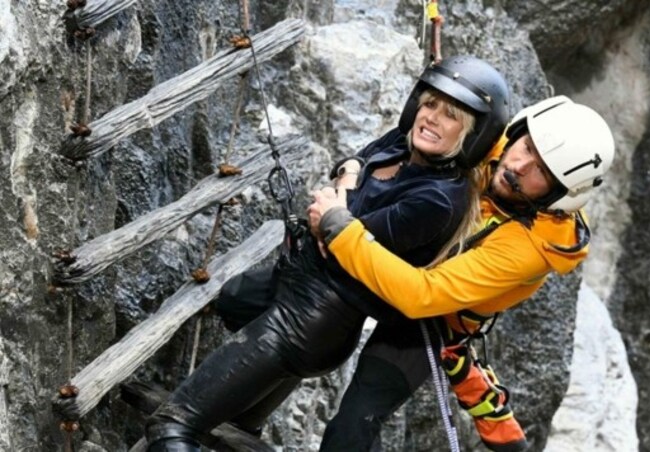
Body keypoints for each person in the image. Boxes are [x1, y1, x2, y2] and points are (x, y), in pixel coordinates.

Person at [144, 55, 511, 451]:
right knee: (235, 300)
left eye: (450, 115)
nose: (431, 118)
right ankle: (247, 417)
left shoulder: (437, 200)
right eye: (429, 104)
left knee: (172, 428)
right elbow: (351, 167)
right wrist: (347, 182)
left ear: (472, 135)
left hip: (311, 320)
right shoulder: (404, 143)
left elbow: (340, 235)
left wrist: (335, 208)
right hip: (297, 285)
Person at [309, 95, 616, 451]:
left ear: (557, 196)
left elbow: (422, 295)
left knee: (355, 423)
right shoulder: (497, 143)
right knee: (254, 307)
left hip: (432, 319)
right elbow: (413, 138)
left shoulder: (532, 249)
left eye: (542, 172)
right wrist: (354, 167)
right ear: (519, 131)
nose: (519, 165)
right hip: (400, 247)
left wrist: (341, 230)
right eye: (527, 146)